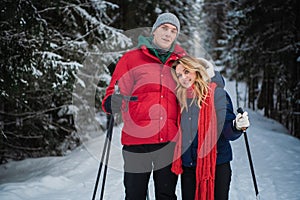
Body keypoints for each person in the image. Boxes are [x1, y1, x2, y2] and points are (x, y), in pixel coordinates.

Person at [102, 13, 187, 200]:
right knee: (134, 195)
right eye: (164, 28)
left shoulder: (181, 62)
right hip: (136, 141)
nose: (168, 34)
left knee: (166, 195)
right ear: (155, 30)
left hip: (168, 142)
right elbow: (113, 91)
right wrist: (111, 102)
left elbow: (193, 89)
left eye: (173, 31)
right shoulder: (131, 59)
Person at [170, 56, 250, 200]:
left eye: (186, 72)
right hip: (189, 167)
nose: (183, 77)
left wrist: (236, 126)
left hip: (216, 165)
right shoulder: (181, 97)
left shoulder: (217, 94)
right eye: (179, 75)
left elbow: (226, 129)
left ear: (197, 70)